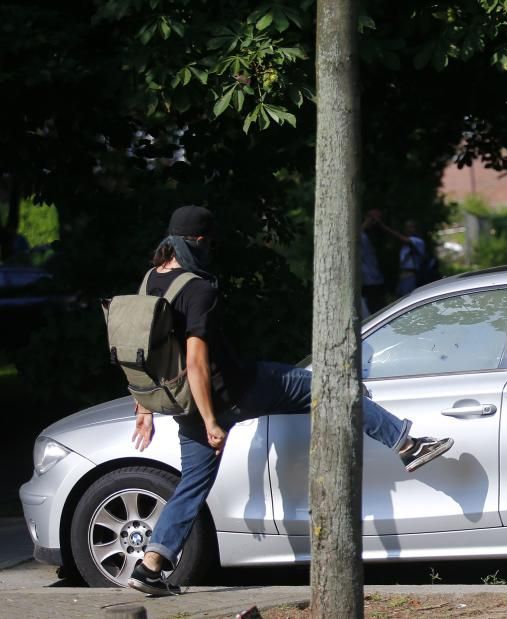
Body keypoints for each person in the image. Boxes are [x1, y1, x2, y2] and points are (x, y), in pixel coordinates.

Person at [127, 206, 453, 596]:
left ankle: (150, 566)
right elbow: (196, 361)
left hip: (182, 405)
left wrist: (144, 410)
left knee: (192, 486)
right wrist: (214, 420)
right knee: (331, 387)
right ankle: (405, 443)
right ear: (197, 243)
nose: (210, 250)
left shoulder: (149, 283)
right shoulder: (199, 289)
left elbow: (139, 355)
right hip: (234, 390)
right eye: (208, 244)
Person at [376, 216, 426, 297]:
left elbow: (401, 238)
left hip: (411, 276)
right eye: (407, 227)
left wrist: (383, 226)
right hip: (403, 277)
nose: (408, 229)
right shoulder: (405, 246)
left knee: (409, 299)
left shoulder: (418, 241)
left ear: (416, 228)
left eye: (411, 227)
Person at [360, 209, 387, 314]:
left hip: (376, 279)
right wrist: (366, 223)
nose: (375, 222)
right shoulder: (362, 235)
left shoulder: (373, 236)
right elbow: (354, 237)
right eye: (373, 219)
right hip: (368, 281)